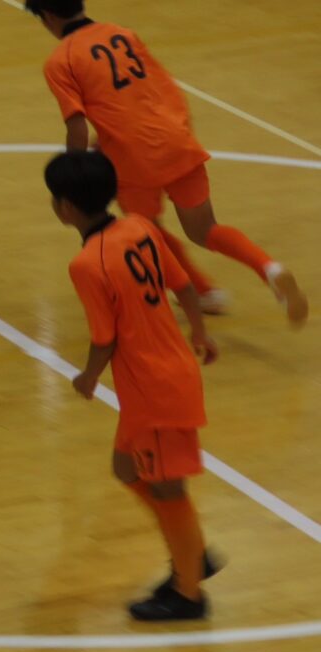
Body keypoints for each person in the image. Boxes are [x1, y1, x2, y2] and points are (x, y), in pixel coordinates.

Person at [26, 0, 308, 326]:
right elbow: (152, 89)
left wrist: (74, 174)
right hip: (175, 139)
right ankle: (270, 268)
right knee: (206, 229)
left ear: (47, 17)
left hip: (132, 158)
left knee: (147, 229)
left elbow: (76, 127)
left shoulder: (61, 61)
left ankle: (203, 292)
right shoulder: (122, 34)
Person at [46, 150, 221, 620]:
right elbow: (184, 286)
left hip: (153, 388)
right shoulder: (140, 227)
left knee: (168, 489)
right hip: (166, 374)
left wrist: (87, 377)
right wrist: (199, 333)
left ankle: (189, 594)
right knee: (125, 468)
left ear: (65, 207)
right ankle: (193, 552)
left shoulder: (87, 264)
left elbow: (105, 338)